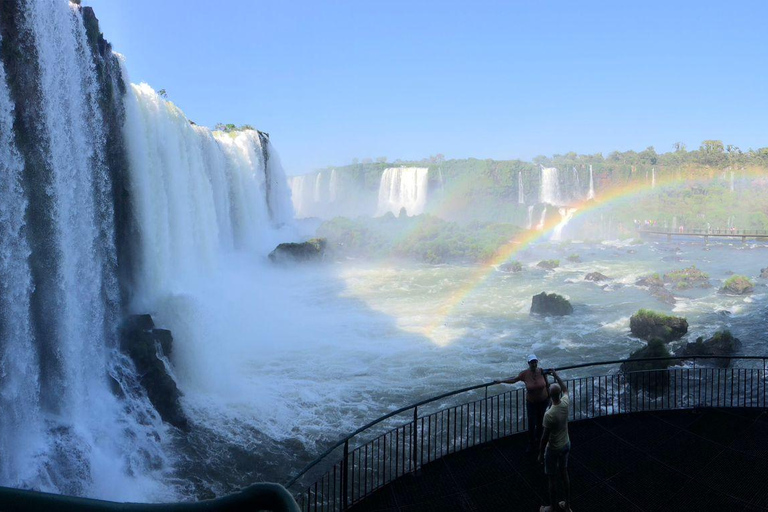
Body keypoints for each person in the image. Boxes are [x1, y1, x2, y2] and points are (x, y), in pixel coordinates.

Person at [494, 354, 549, 452]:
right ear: (528, 363)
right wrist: (501, 381)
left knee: (541, 422)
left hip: (543, 401)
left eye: (535, 362)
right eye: (532, 362)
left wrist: (550, 396)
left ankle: (540, 441)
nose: (534, 364)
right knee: (531, 423)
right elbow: (514, 380)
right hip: (531, 403)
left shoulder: (541, 371)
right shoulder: (524, 374)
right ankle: (532, 443)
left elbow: (547, 384)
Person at [538, 370, 571, 512]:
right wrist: (555, 375)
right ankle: (567, 506)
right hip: (566, 444)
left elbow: (544, 437)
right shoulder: (565, 402)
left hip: (554, 449)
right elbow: (565, 389)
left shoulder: (549, 414)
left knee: (552, 479)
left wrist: (540, 453)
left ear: (550, 396)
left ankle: (552, 507)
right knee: (564, 474)